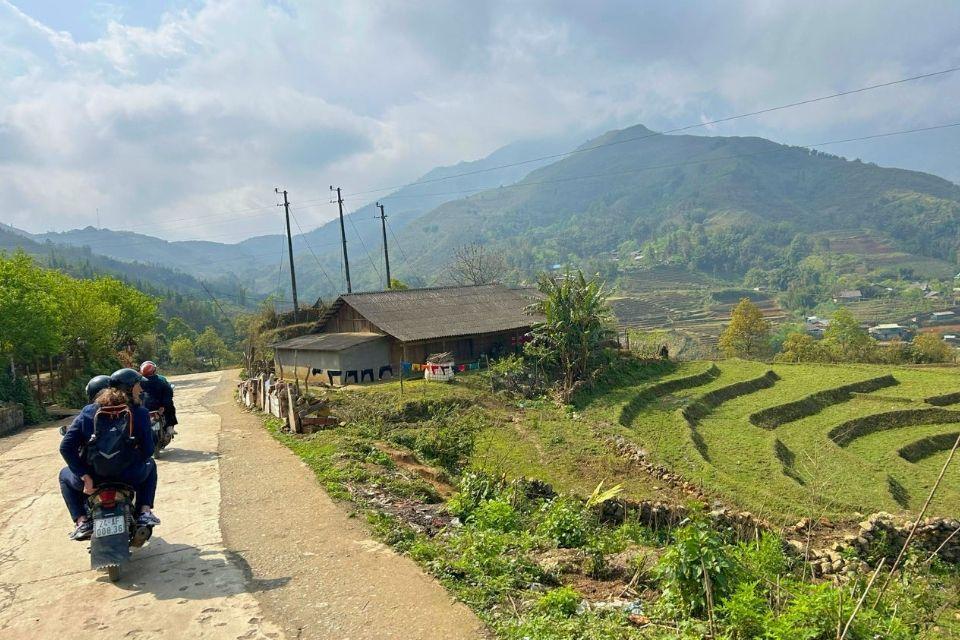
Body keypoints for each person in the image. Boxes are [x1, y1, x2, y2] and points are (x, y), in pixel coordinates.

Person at [58, 368, 160, 541]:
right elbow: (149, 450)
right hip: (129, 476)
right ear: (129, 388)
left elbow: (66, 447)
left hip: (94, 479)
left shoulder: (89, 411)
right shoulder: (139, 412)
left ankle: (82, 521)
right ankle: (144, 511)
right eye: (137, 386)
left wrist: (84, 476)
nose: (141, 390)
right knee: (151, 465)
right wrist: (133, 461)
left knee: (63, 475)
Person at [139, 361, 177, 431]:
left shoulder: (138, 381)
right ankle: (170, 426)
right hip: (159, 407)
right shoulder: (161, 379)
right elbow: (169, 393)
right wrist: (163, 406)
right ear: (154, 371)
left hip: (143, 407)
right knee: (170, 405)